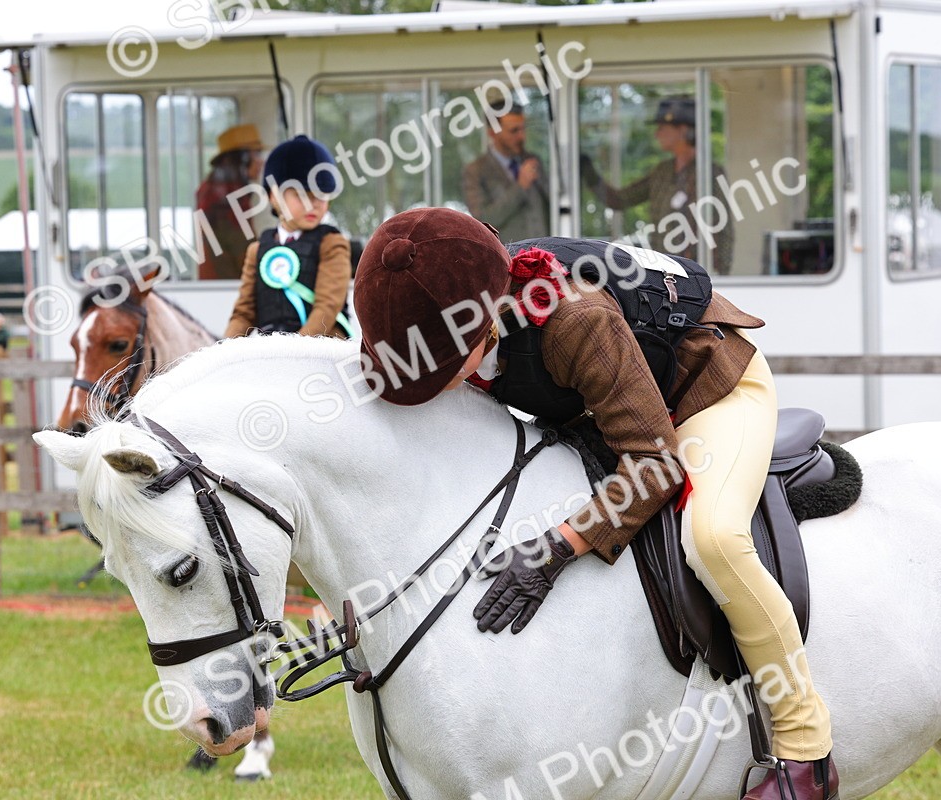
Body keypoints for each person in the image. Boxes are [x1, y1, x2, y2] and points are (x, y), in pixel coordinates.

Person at [352, 207, 838, 800]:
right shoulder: (443, 307)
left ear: (481, 329)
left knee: (713, 538)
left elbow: (655, 466)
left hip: (707, 390)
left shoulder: (574, 319)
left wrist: (560, 544)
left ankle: (805, 750)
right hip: (609, 404)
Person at [581, 96, 734, 274]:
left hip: (696, 275)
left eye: (662, 128)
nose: (656, 134)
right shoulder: (662, 172)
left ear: (682, 130)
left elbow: (723, 229)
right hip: (663, 271)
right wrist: (588, 171)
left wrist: (720, 275)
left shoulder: (709, 173)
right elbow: (619, 200)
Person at [224, 135, 352, 339]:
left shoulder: (332, 244)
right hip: (272, 351)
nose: (314, 204)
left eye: (321, 195)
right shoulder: (256, 251)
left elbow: (327, 307)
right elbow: (243, 313)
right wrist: (222, 352)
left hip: (322, 349)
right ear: (274, 196)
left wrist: (293, 352)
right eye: (302, 195)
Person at [461, 96, 550, 243]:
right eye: (514, 131)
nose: (522, 136)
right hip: (506, 261)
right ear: (492, 133)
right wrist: (520, 187)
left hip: (544, 255)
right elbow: (481, 222)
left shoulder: (533, 161)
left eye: (523, 129)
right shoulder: (475, 171)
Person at [196, 124, 266, 280]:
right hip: (230, 287)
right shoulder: (225, 199)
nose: (262, 161)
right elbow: (243, 253)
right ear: (242, 159)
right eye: (257, 154)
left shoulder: (215, 190)